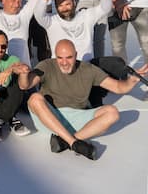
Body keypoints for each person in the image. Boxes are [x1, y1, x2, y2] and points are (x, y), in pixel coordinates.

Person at [18, 39, 148, 160]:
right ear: (55, 56)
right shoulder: (47, 65)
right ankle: (73, 143)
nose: (64, 62)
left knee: (112, 112)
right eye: (60, 58)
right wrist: (24, 74)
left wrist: (131, 81)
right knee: (35, 98)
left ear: (76, 55)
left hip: (76, 119)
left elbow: (118, 87)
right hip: (48, 118)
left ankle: (65, 142)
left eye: (69, 57)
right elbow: (24, 85)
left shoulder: (88, 70)